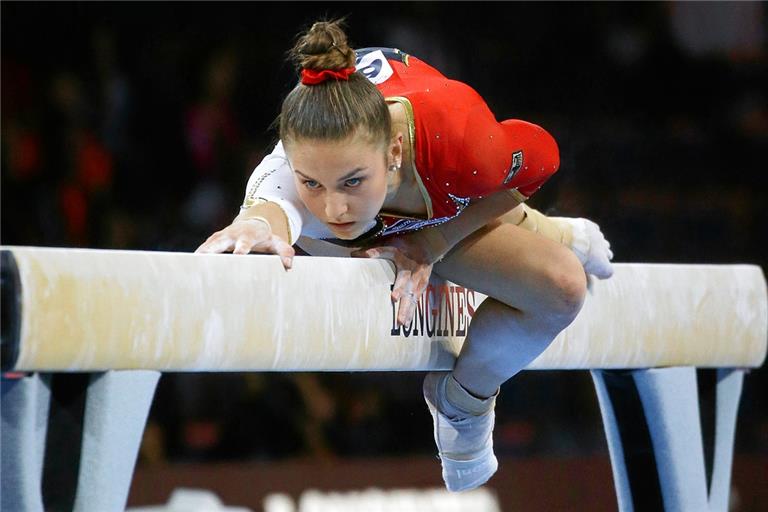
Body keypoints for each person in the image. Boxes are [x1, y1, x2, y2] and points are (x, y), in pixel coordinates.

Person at [197, 20, 614, 491]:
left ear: (394, 151)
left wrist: (431, 244)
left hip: (437, 193)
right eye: (311, 183)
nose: (334, 208)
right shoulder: (300, 162)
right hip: (387, 212)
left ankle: (465, 398)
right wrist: (254, 223)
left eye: (353, 181)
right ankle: (555, 234)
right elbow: (272, 207)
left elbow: (541, 160)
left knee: (561, 284)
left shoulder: (460, 143)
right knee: (332, 215)